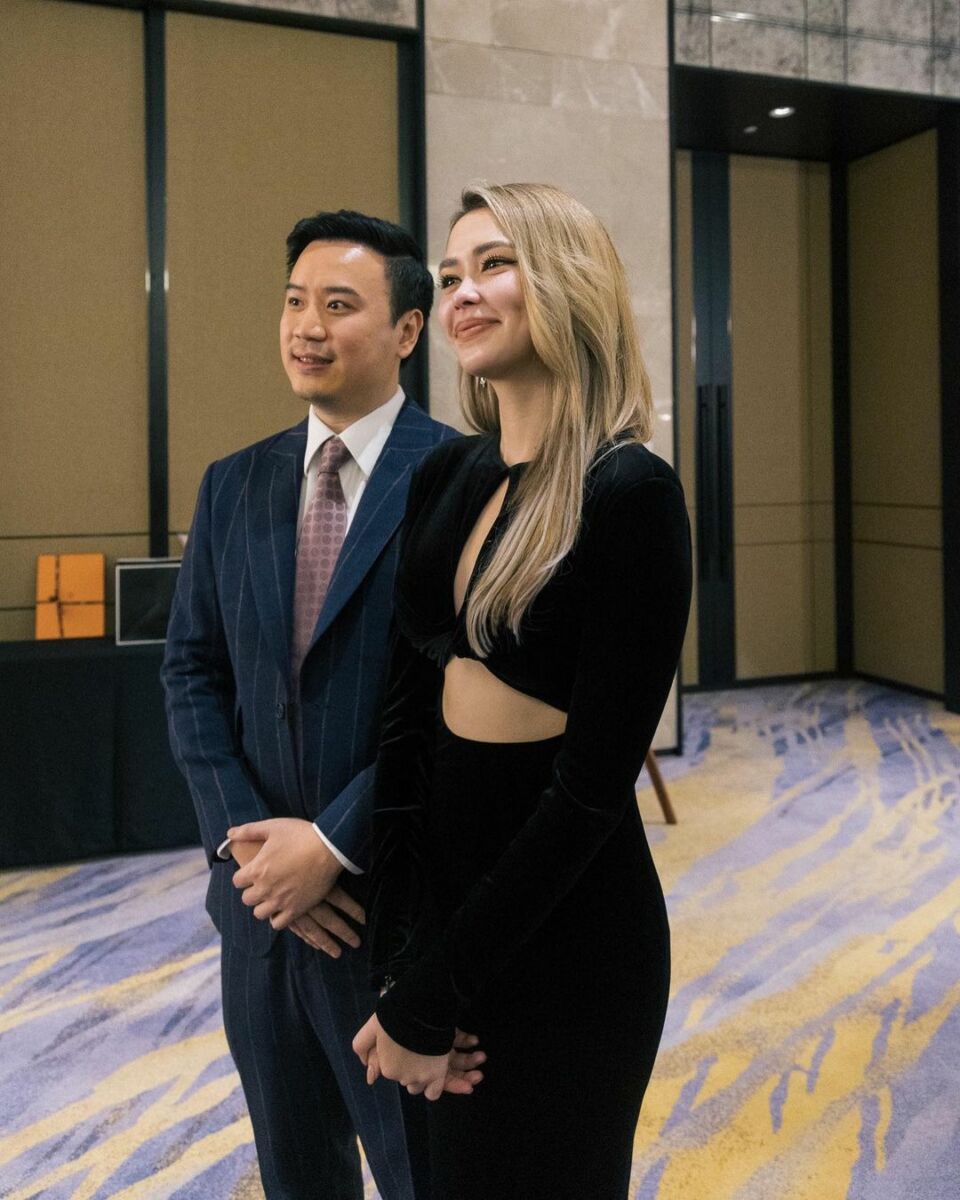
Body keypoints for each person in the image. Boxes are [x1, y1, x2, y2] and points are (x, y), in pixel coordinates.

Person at [352, 183, 693, 1199]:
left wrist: (438, 987)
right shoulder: (445, 476)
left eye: (494, 264)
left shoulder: (630, 494)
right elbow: (404, 727)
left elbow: (588, 795)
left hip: (571, 937)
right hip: (442, 911)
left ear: (568, 281)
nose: (462, 292)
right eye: (451, 274)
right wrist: (404, 957)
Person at [161, 210, 481, 1200]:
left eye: (339, 305)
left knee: (428, 1173)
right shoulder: (232, 484)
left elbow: (463, 705)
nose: (307, 326)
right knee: (297, 1175)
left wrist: (334, 844)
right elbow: (192, 673)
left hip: (393, 917)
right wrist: (251, 853)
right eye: (295, 301)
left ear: (408, 330)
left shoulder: (464, 480)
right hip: (261, 922)